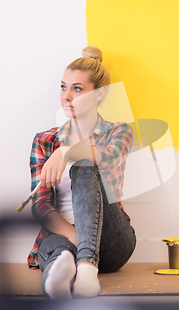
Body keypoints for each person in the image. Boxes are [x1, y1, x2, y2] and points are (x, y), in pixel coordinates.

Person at [26, 46, 136, 300]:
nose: (66, 97)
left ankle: (86, 268)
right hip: (64, 234)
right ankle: (60, 276)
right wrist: (73, 236)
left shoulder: (118, 132)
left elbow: (107, 155)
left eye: (77, 89)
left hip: (111, 240)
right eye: (63, 87)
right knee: (60, 255)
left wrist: (66, 152)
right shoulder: (44, 140)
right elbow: (40, 204)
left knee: (84, 165)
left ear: (99, 94)